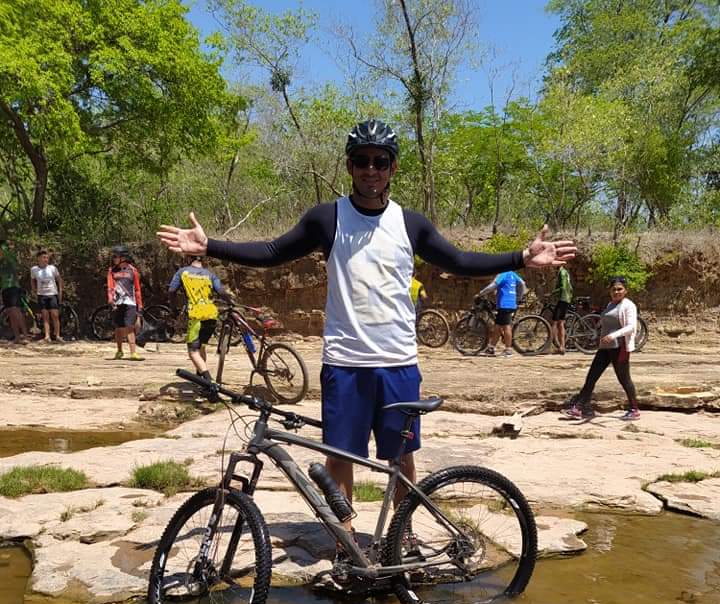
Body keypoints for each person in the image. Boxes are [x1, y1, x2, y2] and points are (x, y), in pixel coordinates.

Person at [157, 118, 575, 536]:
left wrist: (521, 258)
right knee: (340, 456)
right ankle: (346, 544)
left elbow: (460, 260)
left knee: (401, 458)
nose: (370, 170)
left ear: (393, 168)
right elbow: (271, 251)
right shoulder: (327, 219)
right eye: (362, 161)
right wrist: (209, 247)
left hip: (397, 363)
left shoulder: (410, 224)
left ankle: (402, 537)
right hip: (345, 363)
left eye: (380, 161)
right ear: (349, 166)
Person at [566, 276, 640, 421]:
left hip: (619, 348)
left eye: (620, 289)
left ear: (626, 291)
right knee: (591, 376)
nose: (616, 292)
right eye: (614, 289)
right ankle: (579, 408)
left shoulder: (628, 305)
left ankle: (634, 409)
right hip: (605, 347)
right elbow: (606, 320)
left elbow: (631, 327)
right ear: (610, 291)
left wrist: (612, 336)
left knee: (624, 379)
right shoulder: (610, 304)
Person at [168, 256, 226, 379]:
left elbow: (172, 291)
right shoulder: (210, 274)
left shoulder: (182, 272)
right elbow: (221, 292)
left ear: (188, 258)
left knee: (193, 352)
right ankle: (200, 378)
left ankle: (209, 381)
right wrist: (231, 303)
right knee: (201, 347)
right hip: (212, 314)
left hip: (196, 316)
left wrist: (173, 309)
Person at [107, 245, 144, 360]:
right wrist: (110, 298)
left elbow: (137, 289)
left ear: (123, 257)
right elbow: (110, 286)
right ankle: (119, 351)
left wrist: (140, 305)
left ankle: (133, 352)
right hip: (117, 303)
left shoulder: (133, 270)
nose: (114, 259)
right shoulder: (112, 271)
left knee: (129, 327)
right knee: (118, 327)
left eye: (116, 256)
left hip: (130, 302)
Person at [478, 270, 527, 357]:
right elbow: (522, 283)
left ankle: (508, 350)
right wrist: (519, 297)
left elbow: (493, 285)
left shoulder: (503, 274)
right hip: (509, 303)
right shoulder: (513, 274)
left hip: (505, 304)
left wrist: (481, 293)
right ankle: (491, 348)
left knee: (506, 326)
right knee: (497, 326)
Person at [31, 250, 64, 342]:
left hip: (52, 294)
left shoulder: (52, 268)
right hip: (41, 295)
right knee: (45, 316)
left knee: (55, 315)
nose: (46, 259)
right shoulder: (34, 269)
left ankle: (57, 335)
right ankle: (47, 336)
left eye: (47, 258)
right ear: (38, 258)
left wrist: (60, 292)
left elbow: (59, 280)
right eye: (44, 257)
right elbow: (32, 280)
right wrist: (34, 290)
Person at [0, 242, 29, 343]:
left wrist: (5, 245)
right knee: (10, 312)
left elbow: (6, 251)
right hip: (5, 289)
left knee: (16, 310)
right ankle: (17, 337)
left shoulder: (10, 258)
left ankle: (25, 336)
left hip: (13, 287)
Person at [550, 264, 573, 354]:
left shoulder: (562, 273)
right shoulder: (565, 272)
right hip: (566, 299)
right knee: (560, 323)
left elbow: (563, 287)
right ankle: (562, 346)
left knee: (555, 322)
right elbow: (570, 287)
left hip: (563, 299)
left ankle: (550, 345)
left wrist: (553, 293)